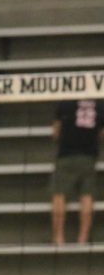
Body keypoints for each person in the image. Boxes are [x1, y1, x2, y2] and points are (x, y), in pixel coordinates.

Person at [51, 98, 103, 245]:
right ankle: (83, 238)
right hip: (88, 156)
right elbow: (101, 134)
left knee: (59, 195)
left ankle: (59, 237)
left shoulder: (65, 102)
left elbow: (55, 132)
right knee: (87, 196)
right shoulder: (100, 105)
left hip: (66, 154)